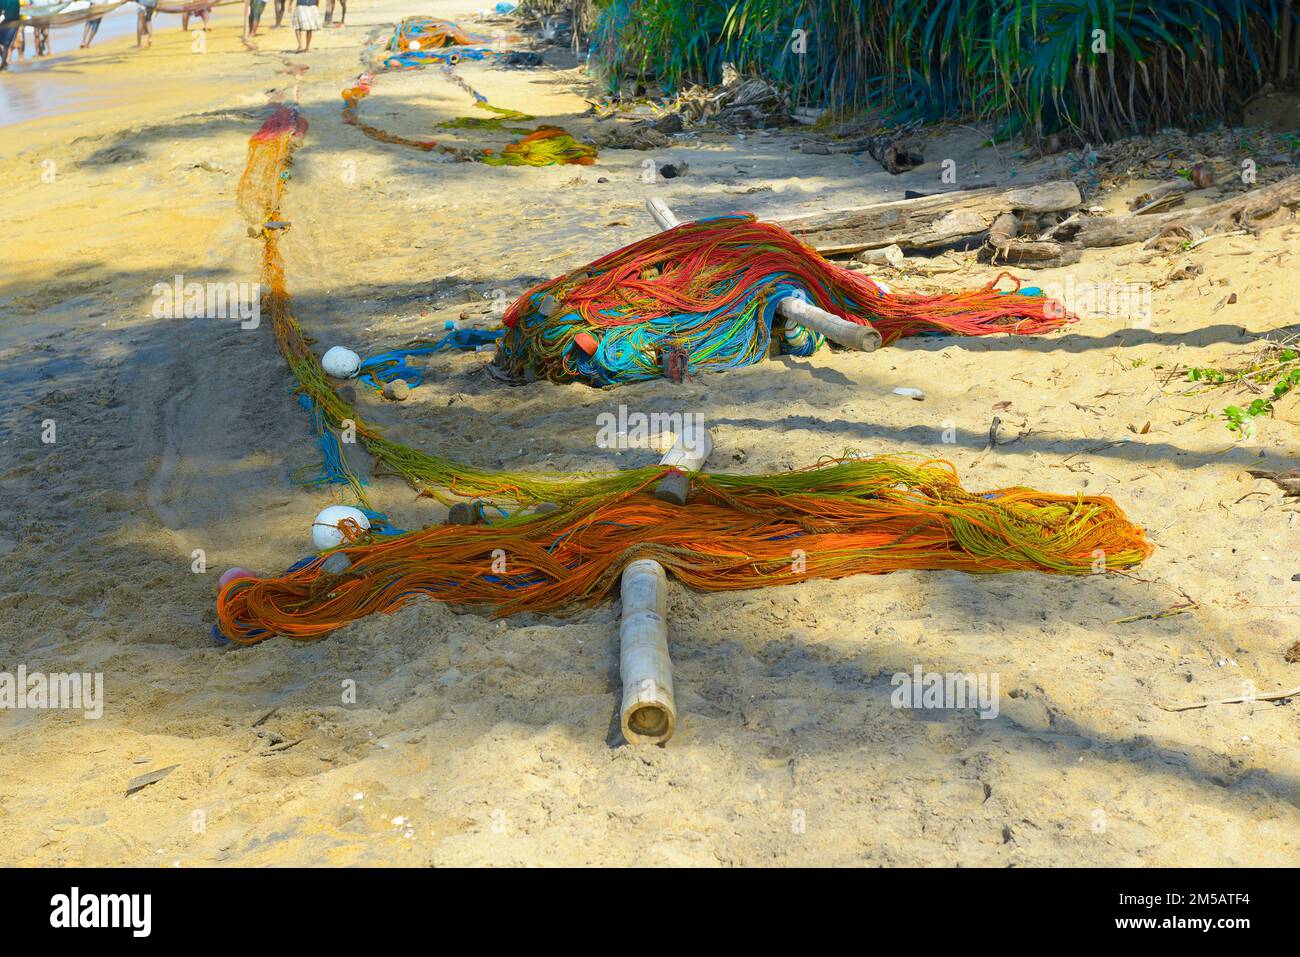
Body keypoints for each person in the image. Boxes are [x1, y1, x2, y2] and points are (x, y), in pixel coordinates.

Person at [0, 0, 18, 71]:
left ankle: (2, 65)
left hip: (13, 24)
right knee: (4, 45)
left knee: (6, 44)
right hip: (3, 24)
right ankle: (4, 62)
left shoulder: (16, 1)